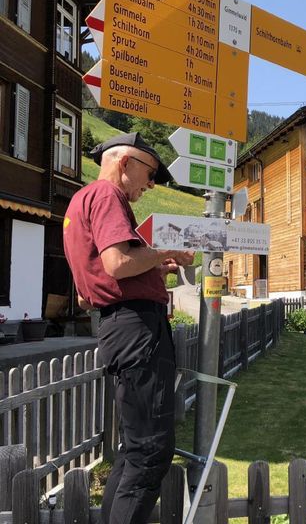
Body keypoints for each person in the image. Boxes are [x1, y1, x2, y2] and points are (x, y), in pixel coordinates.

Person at [63, 132, 194, 524]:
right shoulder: (107, 196)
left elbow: (90, 293)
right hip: (137, 328)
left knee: (135, 447)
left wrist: (153, 266)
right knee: (152, 450)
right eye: (149, 173)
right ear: (124, 163)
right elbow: (118, 263)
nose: (150, 184)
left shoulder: (78, 202)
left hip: (116, 326)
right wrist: (168, 251)